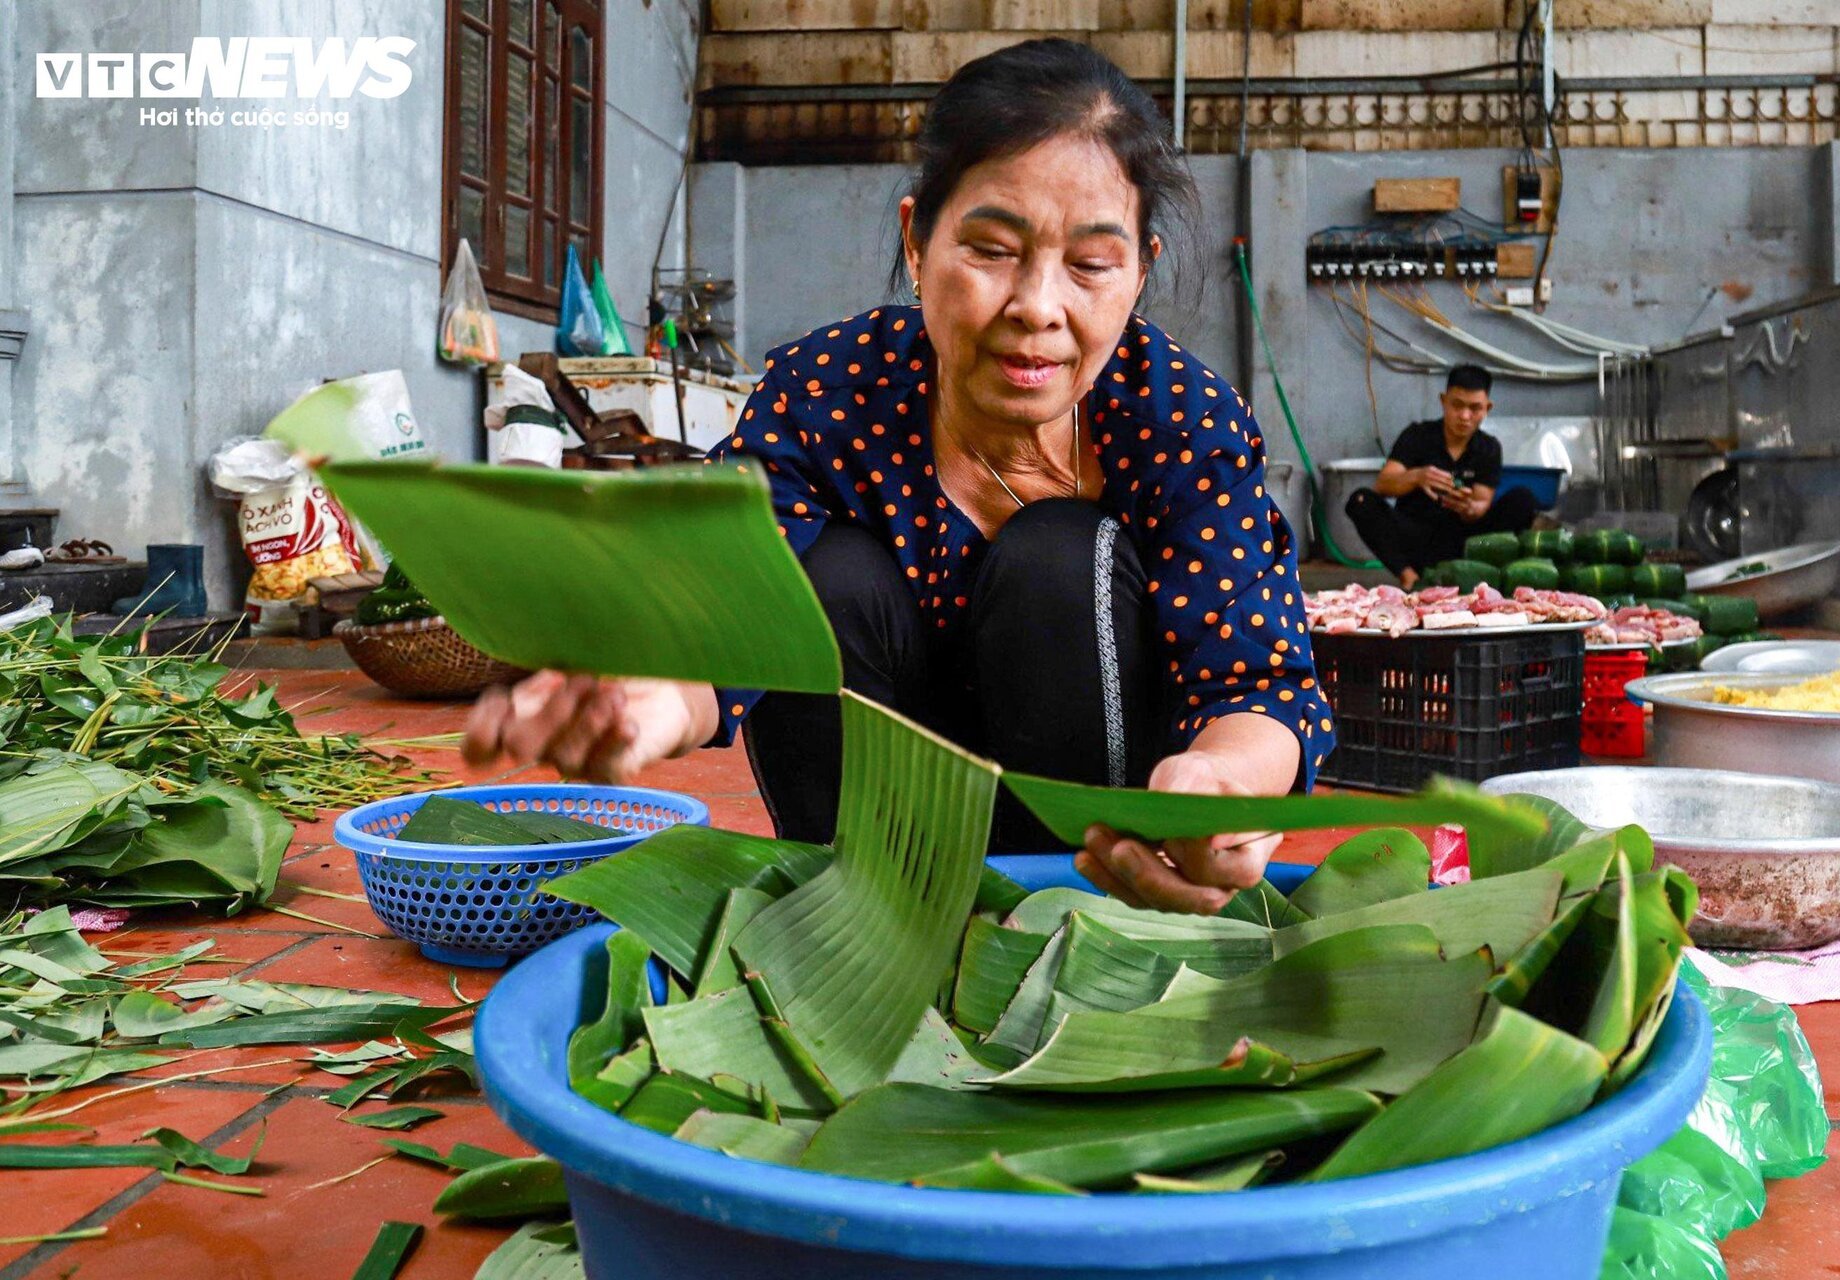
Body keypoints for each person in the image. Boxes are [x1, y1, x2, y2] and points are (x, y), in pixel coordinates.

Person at [462, 39, 1334, 916]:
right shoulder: (828, 392)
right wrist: (656, 694)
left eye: (1090, 266)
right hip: (879, 837)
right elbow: (733, 592)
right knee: (827, 575)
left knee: (1059, 555)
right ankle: (856, 922)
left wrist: (1220, 783)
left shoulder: (1180, 419)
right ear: (917, 242)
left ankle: (1061, 921)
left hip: (1097, 863)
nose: (1037, 305)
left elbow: (1256, 683)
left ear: (1139, 271)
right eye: (992, 249)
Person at [1343, 364, 1539, 590]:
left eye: (1475, 408)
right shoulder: (1417, 436)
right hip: (1416, 538)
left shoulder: (1489, 448)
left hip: (1467, 544)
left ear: (1487, 408)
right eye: (1457, 405)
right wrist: (1417, 476)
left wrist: (1468, 508)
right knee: (1361, 501)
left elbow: (1481, 503)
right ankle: (1409, 577)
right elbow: (1384, 484)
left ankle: (1483, 577)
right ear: (1443, 401)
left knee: (1523, 500)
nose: (1465, 416)